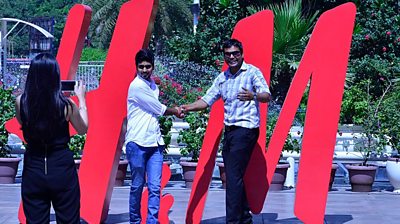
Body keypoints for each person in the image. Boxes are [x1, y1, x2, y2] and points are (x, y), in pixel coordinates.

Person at [181, 39, 271, 224]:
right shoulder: (222, 78)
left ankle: (233, 221)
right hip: (230, 132)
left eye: (235, 53)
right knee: (235, 176)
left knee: (232, 177)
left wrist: (253, 95)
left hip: (246, 130)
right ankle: (244, 219)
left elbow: (266, 95)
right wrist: (186, 107)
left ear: (242, 53)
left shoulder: (252, 72)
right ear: (224, 56)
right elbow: (206, 101)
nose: (232, 57)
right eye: (228, 54)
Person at [15, 53, 88, 223]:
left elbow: (23, 123)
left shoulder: (21, 102)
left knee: (35, 219)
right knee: (68, 218)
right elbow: (83, 128)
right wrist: (82, 99)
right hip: (61, 166)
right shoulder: (66, 105)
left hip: (34, 166)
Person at [125, 49, 183, 224]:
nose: (144, 70)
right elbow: (159, 109)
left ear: (153, 67)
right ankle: (135, 221)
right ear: (136, 68)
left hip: (155, 143)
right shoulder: (136, 86)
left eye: (147, 66)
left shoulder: (153, 86)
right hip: (137, 142)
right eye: (141, 67)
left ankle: (152, 221)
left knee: (155, 187)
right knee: (137, 186)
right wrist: (177, 111)